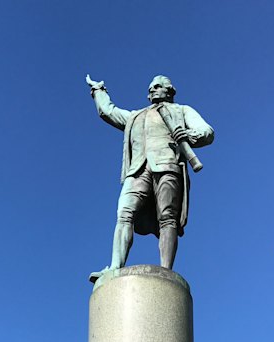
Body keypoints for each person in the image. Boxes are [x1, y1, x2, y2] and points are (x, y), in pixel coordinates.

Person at [86, 74, 214, 281]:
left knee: (168, 218)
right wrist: (98, 91)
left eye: (156, 87)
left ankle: (166, 271)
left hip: (167, 165)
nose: (151, 91)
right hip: (137, 170)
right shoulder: (135, 116)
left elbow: (207, 132)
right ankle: (115, 267)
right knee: (124, 213)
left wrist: (189, 135)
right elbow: (108, 112)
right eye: (150, 88)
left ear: (169, 90)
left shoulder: (181, 111)